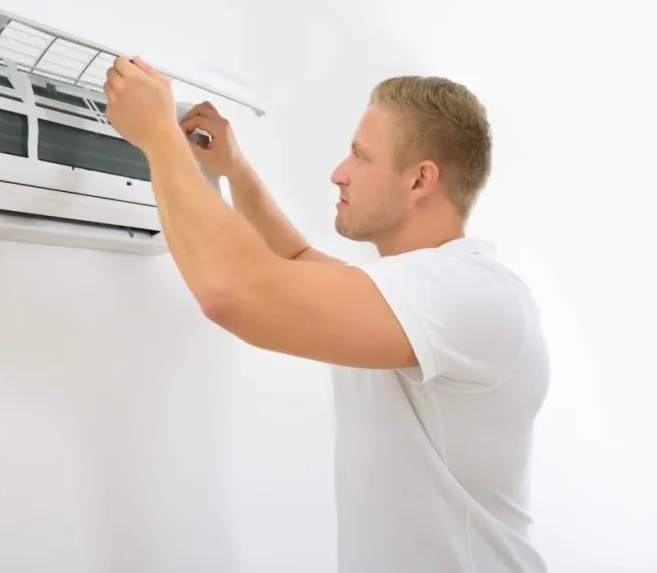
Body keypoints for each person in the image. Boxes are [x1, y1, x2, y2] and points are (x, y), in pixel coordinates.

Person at [103, 57, 550, 572]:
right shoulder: (420, 291)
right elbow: (294, 261)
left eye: (360, 156)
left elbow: (237, 293)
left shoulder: (470, 292)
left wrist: (159, 137)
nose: (339, 173)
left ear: (419, 181)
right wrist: (235, 169)